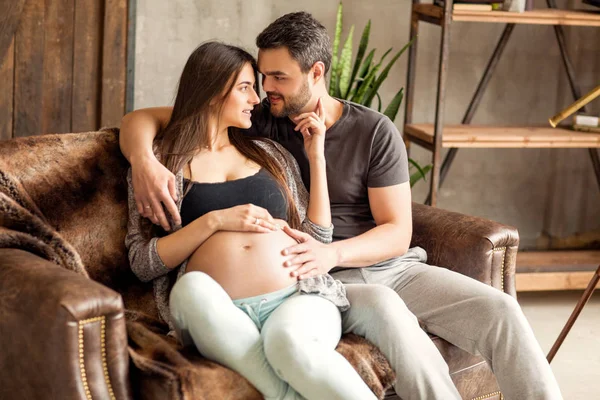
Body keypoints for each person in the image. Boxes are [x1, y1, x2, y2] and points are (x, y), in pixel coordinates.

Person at [120, 12, 563, 400]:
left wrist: (330, 251)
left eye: (278, 78)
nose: (266, 89)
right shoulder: (260, 125)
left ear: (316, 73)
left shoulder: (373, 130)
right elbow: (166, 117)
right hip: (320, 279)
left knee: (500, 310)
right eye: (260, 78)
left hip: (382, 265)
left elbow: (397, 231)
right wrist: (143, 159)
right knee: (384, 311)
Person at [124, 41, 378, 400]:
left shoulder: (270, 154)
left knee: (289, 343)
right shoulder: (161, 165)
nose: (257, 99)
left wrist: (316, 158)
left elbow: (317, 236)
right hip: (212, 309)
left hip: (297, 296)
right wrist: (215, 221)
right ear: (212, 92)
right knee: (190, 290)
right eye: (245, 88)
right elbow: (141, 263)